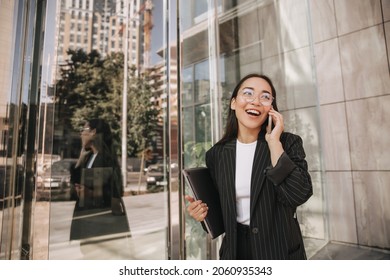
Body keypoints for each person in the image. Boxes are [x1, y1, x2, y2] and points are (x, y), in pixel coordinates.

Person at [185, 73, 313, 260]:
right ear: (234, 103)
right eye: (248, 93)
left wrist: (274, 144)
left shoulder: (287, 143)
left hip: (279, 249)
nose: (256, 101)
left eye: (265, 97)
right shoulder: (217, 154)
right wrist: (202, 214)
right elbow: (222, 214)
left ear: (271, 109)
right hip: (236, 251)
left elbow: (299, 194)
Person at [70, 118, 130, 241]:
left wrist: (89, 193)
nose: (81, 133)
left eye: (83, 129)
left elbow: (113, 196)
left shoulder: (105, 160)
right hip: (90, 222)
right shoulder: (89, 156)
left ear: (93, 132)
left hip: (100, 225)